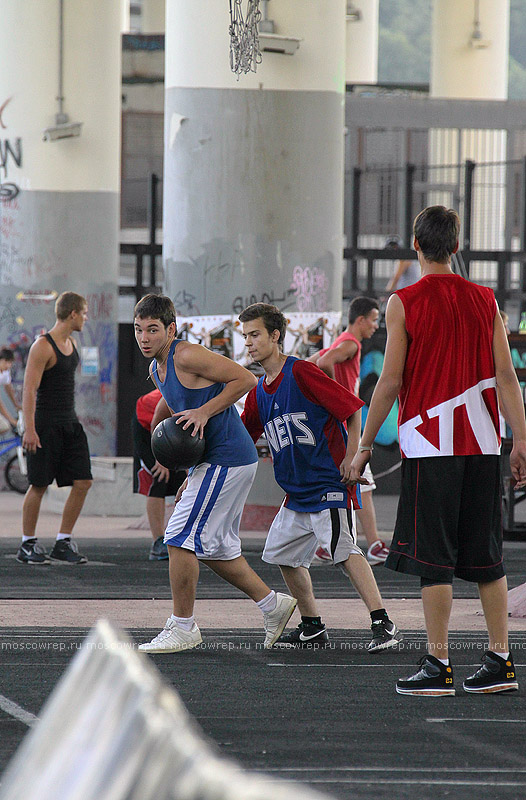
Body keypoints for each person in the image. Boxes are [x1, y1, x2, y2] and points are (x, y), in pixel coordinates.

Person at [350, 205, 526, 696]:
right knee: (488, 557)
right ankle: (500, 660)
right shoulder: (486, 300)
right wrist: (522, 440)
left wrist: (365, 444)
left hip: (432, 448)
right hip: (483, 444)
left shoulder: (403, 302)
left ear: (415, 244)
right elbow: (507, 377)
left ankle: (438, 664)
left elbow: (389, 382)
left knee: (435, 561)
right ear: (456, 245)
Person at [133, 294, 296, 653]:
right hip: (212, 462)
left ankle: (183, 627)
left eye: (153, 330)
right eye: (138, 329)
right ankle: (273, 605)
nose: (144, 337)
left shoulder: (185, 354)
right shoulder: (155, 369)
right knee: (216, 548)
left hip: (229, 457)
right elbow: (180, 415)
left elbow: (244, 379)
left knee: (177, 537)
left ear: (170, 329)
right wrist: (192, 472)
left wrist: (205, 412)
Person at [239, 302, 401, 652]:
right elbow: (241, 438)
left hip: (328, 483)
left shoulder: (302, 373)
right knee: (281, 555)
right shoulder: (257, 392)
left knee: (344, 551)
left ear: (275, 336)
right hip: (296, 493)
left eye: (255, 335)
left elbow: (354, 410)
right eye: (245, 337)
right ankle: (312, 626)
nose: (248, 343)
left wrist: (354, 454)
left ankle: (383, 623)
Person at [308, 297, 388, 565]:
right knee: (362, 482)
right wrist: (336, 395)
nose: (377, 326)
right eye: (375, 319)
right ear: (361, 319)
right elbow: (325, 361)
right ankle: (373, 544)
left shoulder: (343, 339)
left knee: (346, 484)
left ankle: (325, 545)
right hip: (345, 429)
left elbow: (312, 361)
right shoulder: (351, 343)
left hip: (337, 427)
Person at [17, 292, 92, 565]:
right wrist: (30, 429)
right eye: (84, 313)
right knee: (39, 485)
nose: (86, 317)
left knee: (83, 481)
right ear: (72, 313)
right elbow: (29, 389)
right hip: (45, 425)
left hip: (69, 424)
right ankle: (27, 544)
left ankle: (63, 542)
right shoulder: (43, 346)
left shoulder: (72, 344)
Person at [132, 388, 186, 561]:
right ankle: (158, 541)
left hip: (172, 429)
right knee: (158, 478)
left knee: (188, 479)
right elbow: (157, 424)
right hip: (148, 428)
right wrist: (159, 458)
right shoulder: (178, 396)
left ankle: (187, 536)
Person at [0, 348, 21, 434]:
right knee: (5, 426)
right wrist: (11, 420)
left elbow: (9, 389)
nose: (9, 365)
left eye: (10, 363)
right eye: (7, 362)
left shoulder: (5, 372)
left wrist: (17, 406)